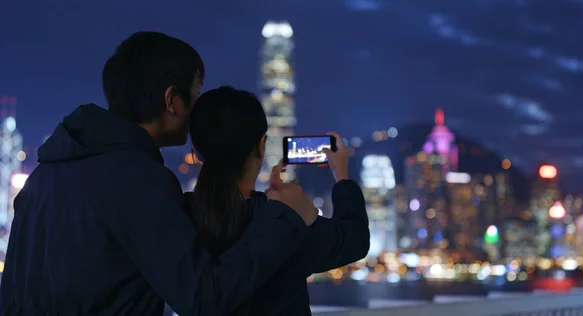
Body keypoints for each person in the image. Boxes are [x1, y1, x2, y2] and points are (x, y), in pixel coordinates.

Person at [0, 32, 318, 315]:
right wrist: (285, 218)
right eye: (195, 94)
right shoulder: (136, 179)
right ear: (172, 100)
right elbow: (203, 296)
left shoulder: (46, 173)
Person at [187, 86, 370, 315]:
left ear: (196, 149)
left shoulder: (179, 215)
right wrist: (341, 175)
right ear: (261, 146)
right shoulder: (287, 221)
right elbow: (355, 239)